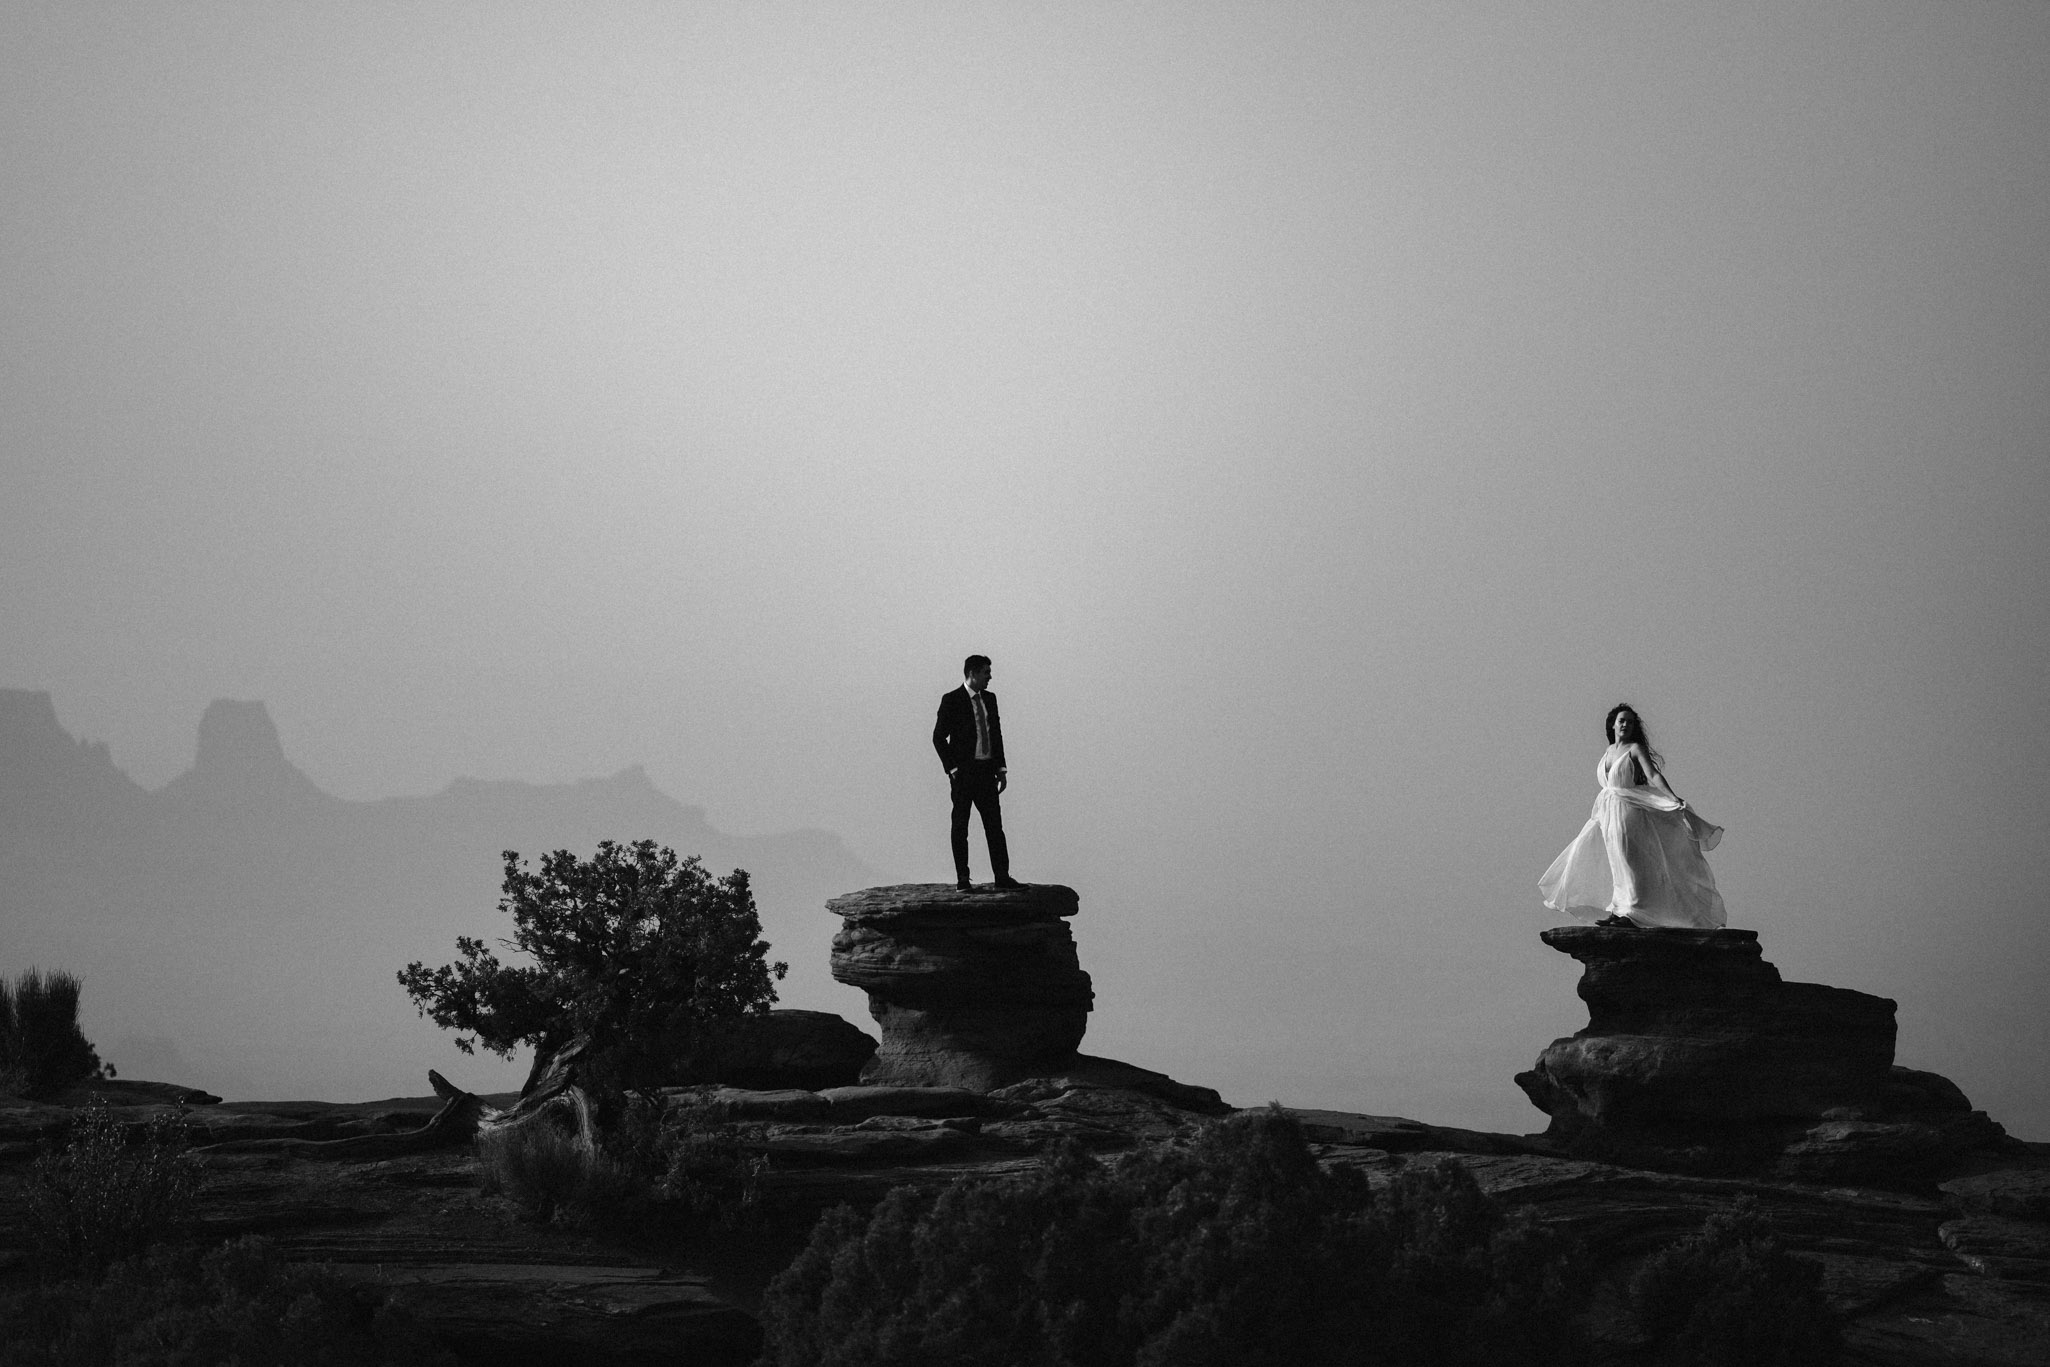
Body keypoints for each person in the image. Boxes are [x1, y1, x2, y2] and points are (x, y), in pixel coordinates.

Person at [1539, 703, 1726, 929]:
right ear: (1613, 725)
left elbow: (1653, 775)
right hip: (1607, 811)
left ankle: (1633, 912)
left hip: (1627, 811)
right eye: (1622, 721)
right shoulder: (1608, 751)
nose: (1626, 724)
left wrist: (1672, 797)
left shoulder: (1635, 749)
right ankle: (1619, 909)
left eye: (1629, 721)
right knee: (1615, 859)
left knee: (1629, 859)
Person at [933, 654, 1017, 891]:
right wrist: (952, 769)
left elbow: (996, 733)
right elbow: (938, 737)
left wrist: (1001, 768)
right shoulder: (951, 700)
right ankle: (963, 879)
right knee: (960, 825)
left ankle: (1002, 877)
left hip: (986, 772)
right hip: (963, 775)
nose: (990, 677)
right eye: (986, 672)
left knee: (994, 826)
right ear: (972, 673)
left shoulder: (990, 699)